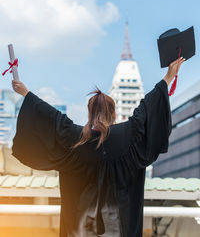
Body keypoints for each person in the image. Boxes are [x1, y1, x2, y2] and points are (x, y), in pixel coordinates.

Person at [12, 57, 185, 237]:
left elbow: (50, 116)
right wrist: (168, 76)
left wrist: (26, 93)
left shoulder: (74, 138)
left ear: (89, 112)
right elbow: (147, 109)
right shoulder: (130, 135)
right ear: (113, 113)